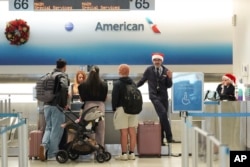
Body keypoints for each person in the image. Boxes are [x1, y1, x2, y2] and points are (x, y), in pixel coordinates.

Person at [137, 52, 174, 145]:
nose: (157, 61)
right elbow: (142, 81)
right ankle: (169, 137)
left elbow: (169, 86)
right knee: (163, 114)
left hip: (164, 97)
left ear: (161, 61)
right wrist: (133, 87)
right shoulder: (149, 70)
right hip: (154, 96)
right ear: (153, 61)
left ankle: (161, 140)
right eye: (155, 60)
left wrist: (170, 78)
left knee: (162, 118)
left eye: (158, 60)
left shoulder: (166, 70)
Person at [39, 58, 70, 161]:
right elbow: (64, 88)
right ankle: (52, 154)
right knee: (57, 129)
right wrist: (64, 103)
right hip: (57, 106)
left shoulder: (48, 75)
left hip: (46, 105)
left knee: (48, 128)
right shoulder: (62, 75)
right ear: (64, 66)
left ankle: (44, 145)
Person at [112, 64, 138, 161]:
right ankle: (132, 153)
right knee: (132, 132)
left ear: (119, 72)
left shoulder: (117, 83)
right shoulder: (133, 83)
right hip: (133, 110)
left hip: (122, 109)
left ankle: (124, 154)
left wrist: (114, 108)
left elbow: (114, 98)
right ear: (128, 72)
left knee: (124, 133)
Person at [78, 65, 108, 147]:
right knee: (100, 129)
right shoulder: (104, 84)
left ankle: (91, 148)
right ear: (98, 73)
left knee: (89, 129)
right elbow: (105, 99)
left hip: (88, 107)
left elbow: (81, 99)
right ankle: (100, 149)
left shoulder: (82, 85)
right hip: (100, 107)